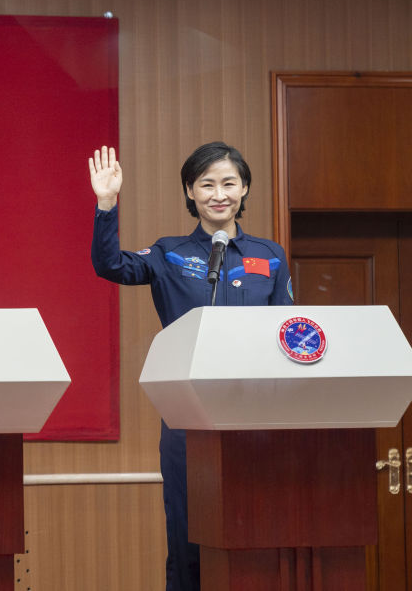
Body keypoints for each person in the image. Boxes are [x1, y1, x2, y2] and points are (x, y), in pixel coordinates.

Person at [89, 142, 293, 591]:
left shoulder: (270, 255)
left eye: (229, 183)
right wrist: (106, 204)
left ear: (244, 188)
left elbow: (286, 331)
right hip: (188, 415)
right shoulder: (170, 253)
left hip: (255, 416)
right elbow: (110, 266)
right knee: (188, 534)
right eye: (206, 184)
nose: (219, 194)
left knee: (255, 527)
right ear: (190, 191)